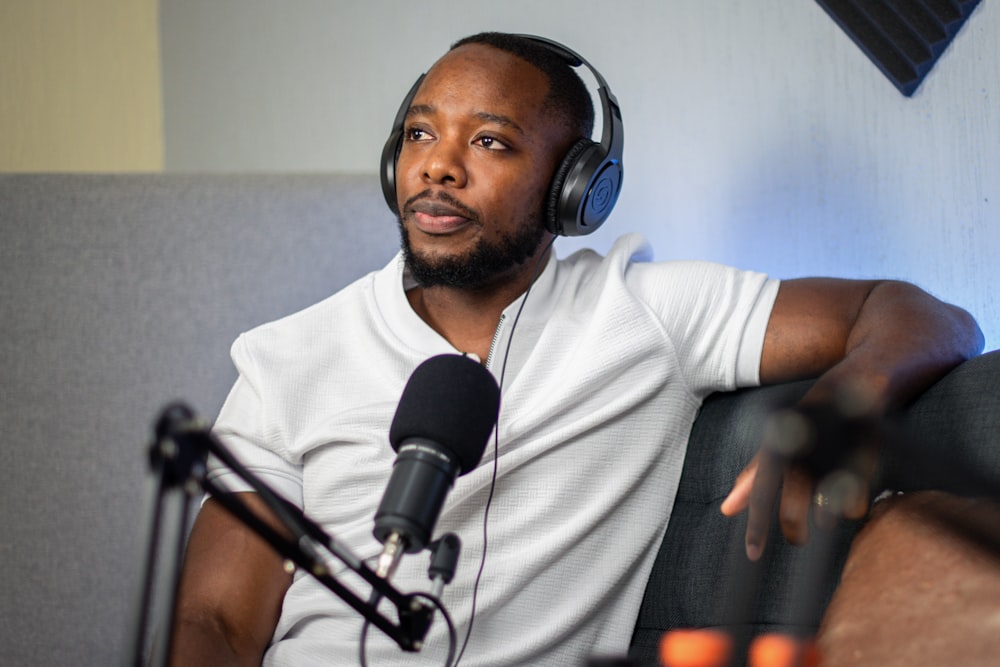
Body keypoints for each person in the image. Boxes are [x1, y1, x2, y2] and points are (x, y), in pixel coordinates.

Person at [168, 32, 984, 666]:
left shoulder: (644, 312)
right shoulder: (286, 359)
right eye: (420, 133)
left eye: (490, 142)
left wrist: (842, 406)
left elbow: (920, 313)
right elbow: (216, 620)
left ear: (576, 188)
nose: (439, 167)